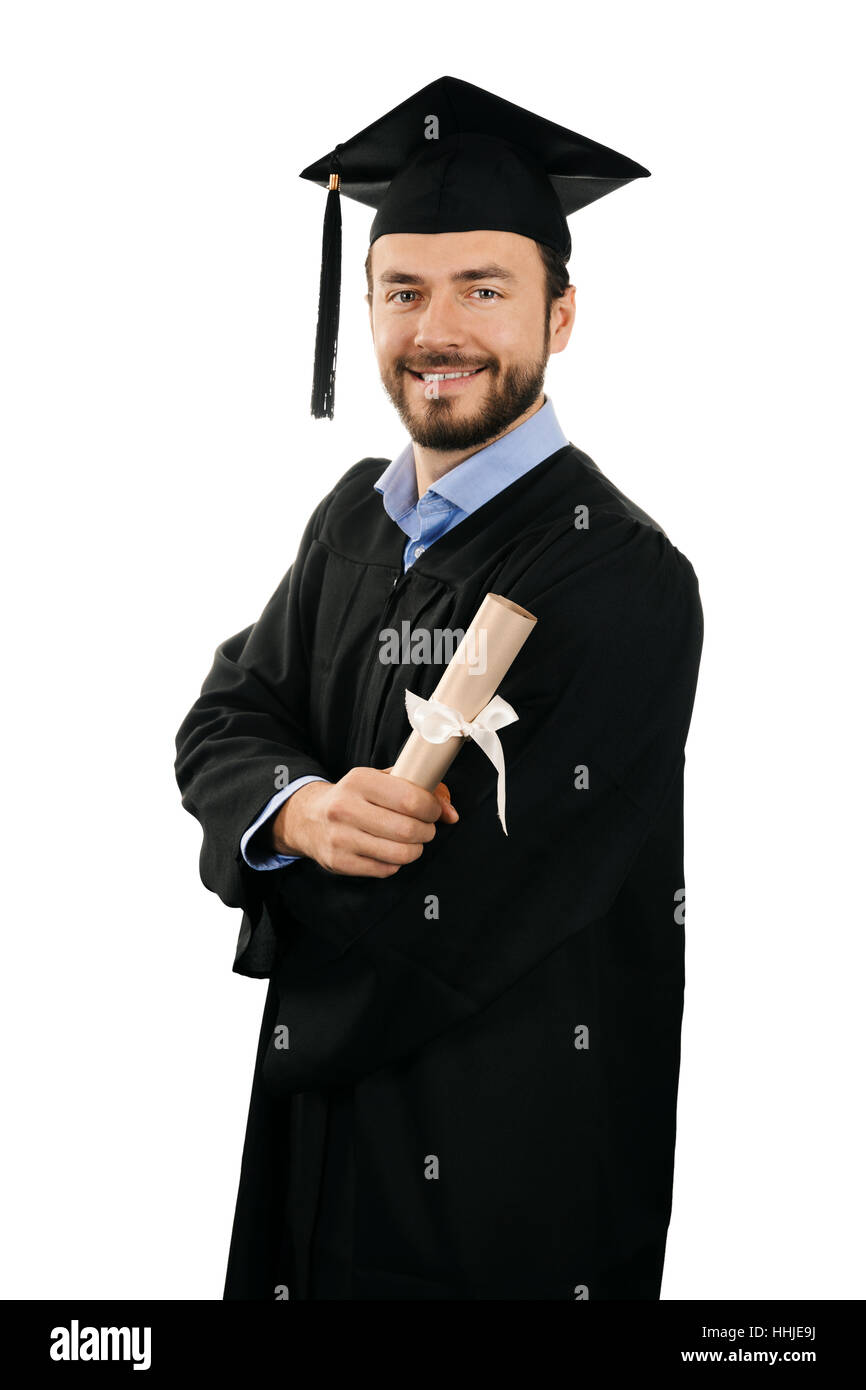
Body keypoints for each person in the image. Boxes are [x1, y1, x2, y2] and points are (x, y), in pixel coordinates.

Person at [174, 75, 703, 1301]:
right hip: (314, 1149)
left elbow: (461, 915)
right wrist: (295, 811)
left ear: (559, 315)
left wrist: (285, 861)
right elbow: (227, 714)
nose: (437, 328)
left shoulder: (617, 575)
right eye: (404, 289)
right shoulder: (354, 518)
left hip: (506, 1183)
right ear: (364, 305)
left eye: (483, 287)